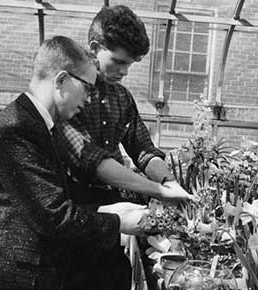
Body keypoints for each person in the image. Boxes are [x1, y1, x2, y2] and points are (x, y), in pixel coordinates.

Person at [0, 35, 149, 290]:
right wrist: (118, 222)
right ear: (61, 81)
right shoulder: (15, 130)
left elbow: (48, 203)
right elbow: (53, 217)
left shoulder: (37, 126)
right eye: (87, 88)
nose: (90, 99)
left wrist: (109, 210)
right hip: (6, 279)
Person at [55, 5, 193, 290]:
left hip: (109, 210)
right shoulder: (66, 93)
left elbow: (142, 148)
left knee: (115, 276)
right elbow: (88, 159)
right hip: (70, 213)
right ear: (94, 47)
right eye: (118, 62)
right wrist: (157, 191)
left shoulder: (121, 96)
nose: (125, 71)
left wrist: (169, 181)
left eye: (130, 64)